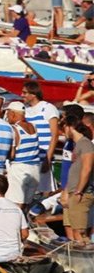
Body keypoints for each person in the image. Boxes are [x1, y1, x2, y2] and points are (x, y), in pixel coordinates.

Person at [21, 81, 61, 192]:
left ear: (33, 94)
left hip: (44, 157)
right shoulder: (26, 111)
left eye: (24, 93)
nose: (22, 95)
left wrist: (47, 159)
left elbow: (55, 135)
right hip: (30, 157)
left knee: (45, 190)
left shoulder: (48, 108)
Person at [61, 111, 93, 247]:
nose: (63, 132)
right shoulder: (77, 145)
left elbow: (87, 168)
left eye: (64, 128)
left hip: (81, 193)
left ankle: (85, 263)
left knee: (80, 233)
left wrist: (79, 191)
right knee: (76, 230)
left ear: (69, 127)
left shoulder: (85, 144)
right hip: (74, 191)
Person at [4, 100, 44, 206]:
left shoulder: (14, 129)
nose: (7, 117)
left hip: (20, 169)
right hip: (35, 168)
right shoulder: (33, 127)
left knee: (16, 203)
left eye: (8, 114)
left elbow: (11, 153)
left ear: (12, 113)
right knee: (27, 203)